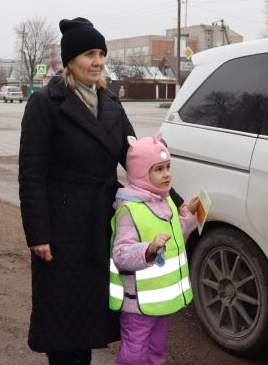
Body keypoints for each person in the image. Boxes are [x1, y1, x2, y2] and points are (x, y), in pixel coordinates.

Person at [19, 17, 187, 364]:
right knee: (65, 316)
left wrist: (177, 202)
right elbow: (31, 172)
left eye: (101, 54)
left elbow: (136, 160)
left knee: (93, 311)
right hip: (63, 226)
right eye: (88, 54)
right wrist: (38, 233)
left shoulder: (110, 102)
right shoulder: (46, 104)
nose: (97, 61)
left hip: (101, 221)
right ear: (69, 60)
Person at [109, 133, 198, 365]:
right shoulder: (130, 209)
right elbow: (120, 255)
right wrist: (148, 249)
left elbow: (176, 234)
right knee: (134, 353)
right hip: (138, 303)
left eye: (168, 167)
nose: (167, 174)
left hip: (162, 300)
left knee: (156, 349)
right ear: (141, 173)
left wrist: (190, 214)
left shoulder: (166, 199)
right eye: (158, 169)